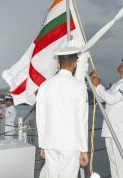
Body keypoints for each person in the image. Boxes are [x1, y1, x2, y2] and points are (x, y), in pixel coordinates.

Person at [36, 47, 89, 178]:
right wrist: (84, 149)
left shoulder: (44, 86)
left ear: (58, 63)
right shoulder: (79, 86)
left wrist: (42, 145)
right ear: (75, 64)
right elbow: (81, 120)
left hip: (50, 142)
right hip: (70, 144)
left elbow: (40, 117)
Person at [91, 55, 123, 178]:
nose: (121, 64)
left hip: (120, 131)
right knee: (114, 165)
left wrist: (98, 85)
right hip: (111, 130)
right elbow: (103, 97)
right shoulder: (117, 85)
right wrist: (95, 83)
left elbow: (110, 98)